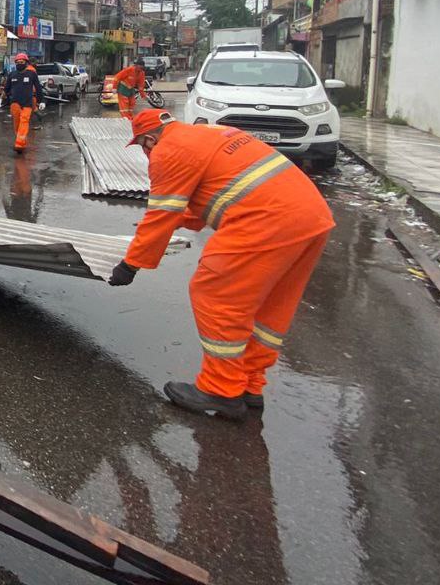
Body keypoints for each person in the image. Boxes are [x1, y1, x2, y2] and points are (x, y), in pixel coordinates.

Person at [109, 109, 334, 420]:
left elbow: (162, 213)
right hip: (310, 215)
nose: (147, 154)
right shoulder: (207, 134)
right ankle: (250, 385)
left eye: (144, 147)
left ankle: (221, 388)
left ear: (149, 139)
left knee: (216, 293)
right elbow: (213, 192)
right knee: (268, 307)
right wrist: (173, 223)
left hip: (267, 218)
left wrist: (131, 265)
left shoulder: (168, 150)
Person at [1, 53, 43, 154]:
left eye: (22, 62)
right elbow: (6, 89)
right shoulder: (12, 75)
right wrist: (1, 98)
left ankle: (19, 144)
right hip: (15, 103)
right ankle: (21, 142)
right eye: (18, 62)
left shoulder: (31, 74)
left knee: (24, 122)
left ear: (26, 63)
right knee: (17, 124)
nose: (19, 64)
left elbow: (38, 88)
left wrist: (41, 101)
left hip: (27, 104)